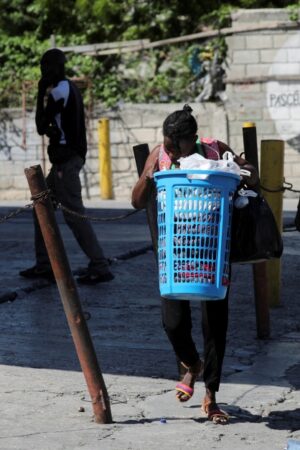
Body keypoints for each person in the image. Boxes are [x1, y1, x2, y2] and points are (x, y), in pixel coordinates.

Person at [131, 104, 258, 424]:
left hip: (213, 251)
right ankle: (192, 364)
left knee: (215, 324)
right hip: (175, 254)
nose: (171, 152)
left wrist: (241, 171)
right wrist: (148, 175)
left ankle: (211, 395)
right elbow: (136, 200)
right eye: (167, 144)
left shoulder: (215, 149)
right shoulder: (159, 155)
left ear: (193, 140)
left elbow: (252, 177)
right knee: (172, 322)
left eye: (177, 146)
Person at [20, 48, 114, 285]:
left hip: (65, 163)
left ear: (54, 68)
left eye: (44, 68)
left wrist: (41, 91)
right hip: (65, 161)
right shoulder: (70, 88)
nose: (42, 72)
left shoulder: (59, 91)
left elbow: (41, 125)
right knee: (41, 206)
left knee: (74, 215)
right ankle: (45, 264)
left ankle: (100, 265)